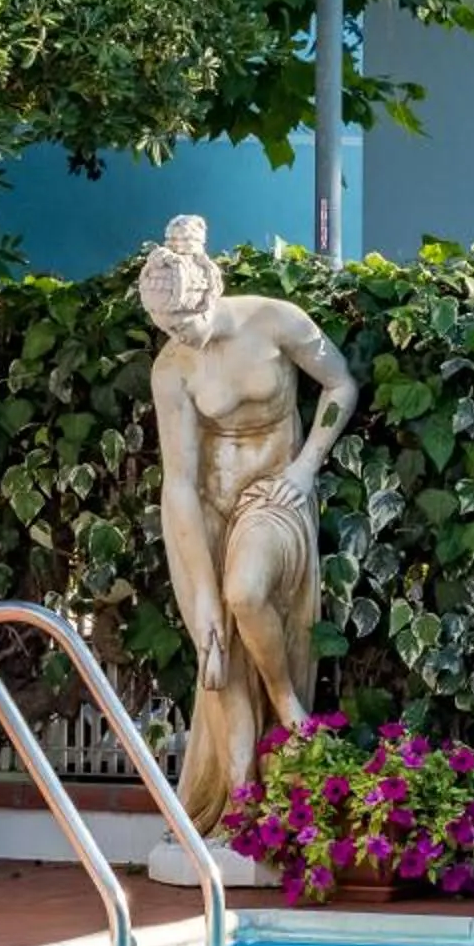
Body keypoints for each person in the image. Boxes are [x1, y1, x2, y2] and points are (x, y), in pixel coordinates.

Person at [140, 216, 361, 832]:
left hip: (273, 494)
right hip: (203, 511)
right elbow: (179, 482)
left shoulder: (275, 320)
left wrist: (307, 466)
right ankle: (242, 806)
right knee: (216, 651)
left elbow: (339, 384)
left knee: (246, 593)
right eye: (167, 328)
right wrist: (199, 594)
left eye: (186, 322)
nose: (179, 336)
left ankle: (286, 698)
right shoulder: (172, 368)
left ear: (209, 291)